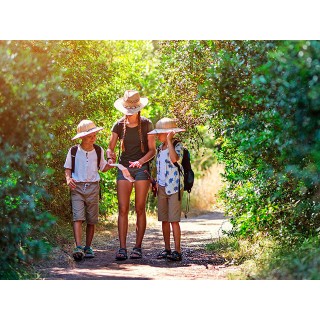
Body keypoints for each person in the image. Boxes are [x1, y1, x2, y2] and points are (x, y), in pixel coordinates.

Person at [107, 90, 156, 260]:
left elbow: (152, 150)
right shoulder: (118, 125)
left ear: (138, 108)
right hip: (124, 168)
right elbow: (110, 147)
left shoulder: (147, 124)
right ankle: (122, 248)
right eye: (128, 110)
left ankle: (137, 247)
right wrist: (109, 156)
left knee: (140, 208)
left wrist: (141, 162)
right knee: (123, 208)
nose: (131, 113)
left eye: (133, 109)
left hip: (142, 169)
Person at [64, 119, 110, 261]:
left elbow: (103, 168)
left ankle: (88, 247)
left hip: (93, 187)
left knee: (92, 219)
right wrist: (68, 179)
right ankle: (78, 247)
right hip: (77, 187)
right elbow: (68, 168)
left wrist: (111, 163)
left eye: (95, 135)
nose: (94, 138)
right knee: (77, 217)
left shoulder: (98, 150)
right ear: (82, 137)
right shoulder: (73, 151)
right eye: (90, 136)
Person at [147, 117, 185, 261]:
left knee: (174, 220)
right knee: (164, 220)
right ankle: (167, 249)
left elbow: (175, 159)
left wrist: (169, 141)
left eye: (161, 133)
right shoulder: (159, 148)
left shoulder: (177, 145)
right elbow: (159, 167)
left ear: (169, 133)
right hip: (162, 186)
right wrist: (155, 182)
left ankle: (178, 250)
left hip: (174, 187)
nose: (158, 136)